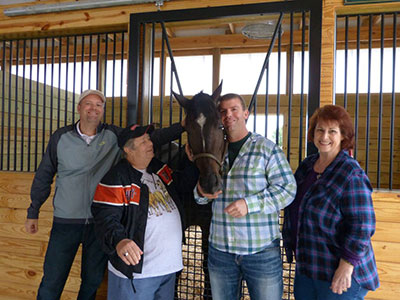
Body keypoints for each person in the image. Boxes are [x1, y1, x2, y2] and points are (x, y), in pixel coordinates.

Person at [24, 89, 185, 300]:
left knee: (91, 281)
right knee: (52, 281)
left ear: (103, 110)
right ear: (79, 108)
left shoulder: (113, 135)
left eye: (99, 105)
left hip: (98, 225)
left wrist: (182, 127)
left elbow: (151, 138)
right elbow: (45, 174)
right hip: (66, 221)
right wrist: (33, 209)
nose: (94, 108)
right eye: (89, 104)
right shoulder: (60, 137)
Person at [191, 93, 297, 300]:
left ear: (246, 114)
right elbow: (202, 197)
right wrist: (200, 193)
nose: (228, 115)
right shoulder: (213, 150)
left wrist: (250, 204)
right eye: (223, 112)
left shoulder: (266, 148)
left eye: (234, 109)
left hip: (260, 251)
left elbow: (288, 189)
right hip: (221, 250)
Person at [283, 105, 380, 299]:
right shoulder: (307, 166)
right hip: (309, 267)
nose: (324, 136)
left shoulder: (351, 173)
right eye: (320, 129)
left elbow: (362, 225)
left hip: (340, 272)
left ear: (343, 136)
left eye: (332, 131)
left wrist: (346, 265)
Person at [91, 124, 198, 300]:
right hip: (137, 274)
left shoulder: (158, 168)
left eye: (149, 140)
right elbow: (104, 217)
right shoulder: (117, 177)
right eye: (143, 142)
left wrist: (191, 162)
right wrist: (120, 240)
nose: (150, 144)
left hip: (168, 270)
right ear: (128, 150)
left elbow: (183, 185)